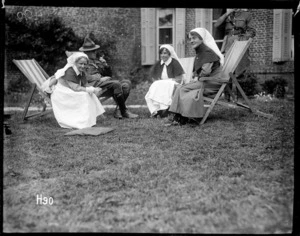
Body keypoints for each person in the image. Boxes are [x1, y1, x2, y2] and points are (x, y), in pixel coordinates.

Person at [167, 27, 224, 126]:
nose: (191, 41)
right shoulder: (201, 51)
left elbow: (205, 72)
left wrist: (197, 77)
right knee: (180, 87)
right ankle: (179, 116)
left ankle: (180, 117)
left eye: (194, 38)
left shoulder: (207, 52)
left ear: (202, 39)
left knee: (182, 89)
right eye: (190, 38)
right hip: (206, 82)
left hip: (212, 83)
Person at [79, 35, 138, 119]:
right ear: (86, 52)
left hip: (104, 84)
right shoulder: (82, 63)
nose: (95, 52)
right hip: (93, 86)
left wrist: (105, 65)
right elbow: (85, 78)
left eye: (95, 50)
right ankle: (124, 111)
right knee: (116, 84)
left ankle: (118, 111)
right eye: (93, 51)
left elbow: (109, 75)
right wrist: (99, 78)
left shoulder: (96, 61)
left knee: (126, 83)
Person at [46, 52, 105, 129]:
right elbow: (75, 88)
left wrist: (94, 90)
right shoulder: (69, 71)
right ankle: (79, 121)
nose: (83, 66)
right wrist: (92, 89)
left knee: (88, 94)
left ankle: (88, 120)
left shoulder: (81, 71)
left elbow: (85, 84)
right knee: (84, 95)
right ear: (75, 63)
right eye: (80, 63)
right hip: (61, 92)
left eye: (85, 64)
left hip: (70, 90)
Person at [214, 9, 256, 100]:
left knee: (240, 70)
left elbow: (252, 31)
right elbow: (216, 25)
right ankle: (227, 97)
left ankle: (240, 98)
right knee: (228, 69)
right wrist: (227, 13)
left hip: (241, 41)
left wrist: (244, 40)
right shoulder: (226, 15)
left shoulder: (246, 14)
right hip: (229, 42)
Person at [145, 44, 185, 118]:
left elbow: (179, 79)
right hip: (161, 84)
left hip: (173, 84)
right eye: (161, 53)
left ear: (169, 54)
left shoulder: (174, 63)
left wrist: (166, 82)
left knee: (164, 88)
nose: (163, 55)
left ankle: (164, 110)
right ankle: (156, 111)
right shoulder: (158, 63)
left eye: (165, 53)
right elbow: (154, 77)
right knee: (151, 92)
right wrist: (159, 81)